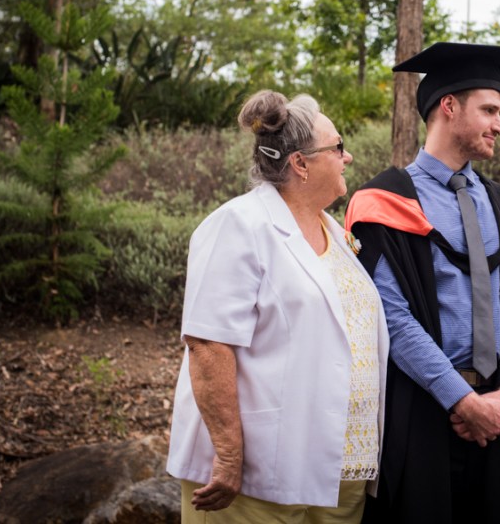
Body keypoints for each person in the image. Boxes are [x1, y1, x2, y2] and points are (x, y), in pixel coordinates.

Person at [345, 42, 500, 524]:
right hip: (421, 416)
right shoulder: (384, 202)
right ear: (448, 107)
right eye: (490, 110)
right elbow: (389, 316)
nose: (499, 124)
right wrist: (460, 398)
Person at [166, 90, 389, 524]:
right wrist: (229, 457)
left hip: (340, 467)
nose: (349, 157)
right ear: (300, 164)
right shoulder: (238, 226)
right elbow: (209, 345)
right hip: (258, 472)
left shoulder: (334, 232)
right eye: (338, 147)